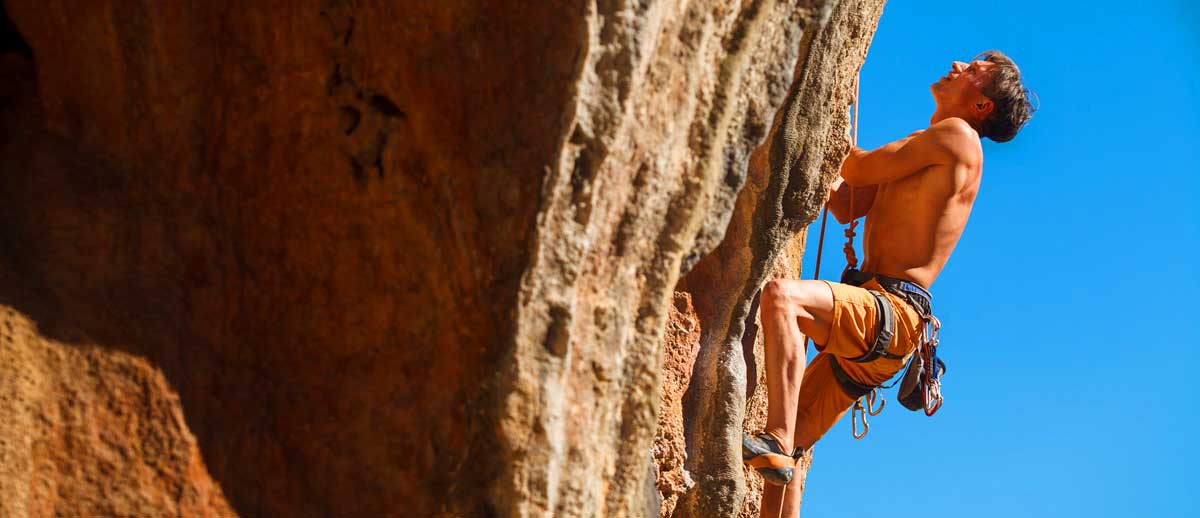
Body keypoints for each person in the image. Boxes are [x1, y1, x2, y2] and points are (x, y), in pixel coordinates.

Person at [741, 51, 1036, 517]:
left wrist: (831, 108)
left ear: (982, 106)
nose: (958, 64)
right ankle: (783, 444)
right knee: (796, 453)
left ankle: (774, 437)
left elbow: (856, 170)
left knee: (782, 298)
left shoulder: (958, 137)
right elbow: (846, 204)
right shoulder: (932, 146)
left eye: (975, 71)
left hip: (892, 311)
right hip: (889, 329)